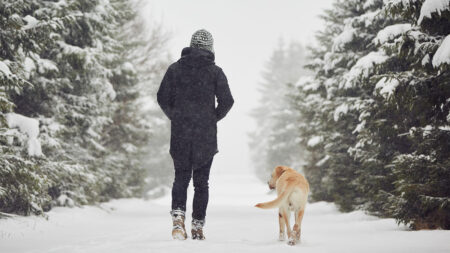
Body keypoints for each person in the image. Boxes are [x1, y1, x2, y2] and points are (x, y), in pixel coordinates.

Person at [157, 29, 234, 240]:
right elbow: (227, 101)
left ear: (190, 45)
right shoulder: (215, 72)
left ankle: (178, 220)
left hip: (180, 133)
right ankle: (198, 226)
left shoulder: (175, 69)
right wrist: (211, 118)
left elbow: (162, 97)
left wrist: (176, 116)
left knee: (180, 178)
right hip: (205, 137)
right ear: (210, 48)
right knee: (202, 183)